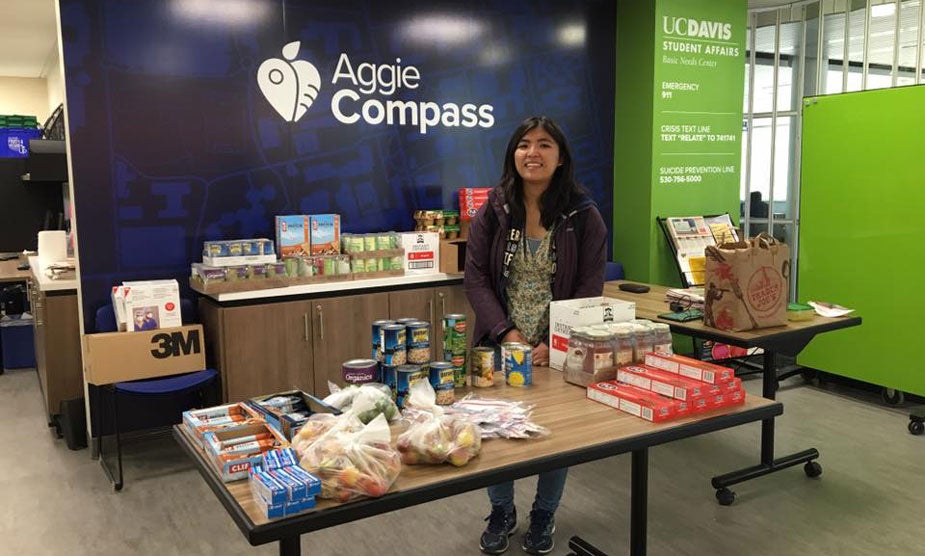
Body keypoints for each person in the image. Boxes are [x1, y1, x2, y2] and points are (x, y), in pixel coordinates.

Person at [464, 116, 607, 555]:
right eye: (524, 144)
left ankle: (544, 512)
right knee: (496, 431)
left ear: (560, 157)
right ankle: (502, 509)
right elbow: (477, 279)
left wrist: (557, 344)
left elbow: (589, 287)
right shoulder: (494, 209)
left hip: (556, 347)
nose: (533, 153)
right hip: (498, 344)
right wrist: (506, 334)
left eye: (545, 145)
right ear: (513, 154)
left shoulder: (584, 215)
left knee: (552, 436)